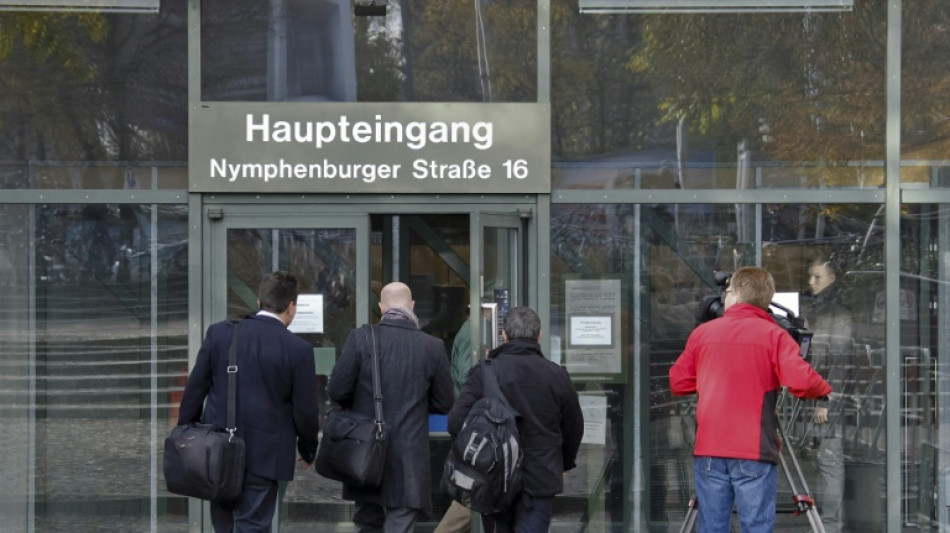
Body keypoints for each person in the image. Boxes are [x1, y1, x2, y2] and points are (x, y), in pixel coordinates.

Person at [668, 266, 832, 533]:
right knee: (756, 526)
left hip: (709, 448)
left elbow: (679, 382)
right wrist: (824, 390)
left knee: (712, 527)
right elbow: (803, 381)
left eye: (728, 292)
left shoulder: (703, 334)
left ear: (736, 294)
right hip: (753, 450)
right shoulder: (775, 335)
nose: (723, 298)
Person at [177, 270, 321, 532]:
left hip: (218, 450)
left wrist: (186, 434)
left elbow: (195, 389)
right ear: (291, 307)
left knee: (223, 525)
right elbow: (306, 411)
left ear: (258, 302)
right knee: (253, 524)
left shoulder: (220, 334)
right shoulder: (298, 350)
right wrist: (308, 448)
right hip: (266, 456)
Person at [327, 281, 455, 533]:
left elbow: (337, 391)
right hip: (409, 458)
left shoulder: (360, 338)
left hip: (364, 452)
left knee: (367, 523)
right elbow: (445, 403)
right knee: (401, 524)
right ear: (413, 306)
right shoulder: (432, 346)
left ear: (381, 307)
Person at [448, 306, 585, 533]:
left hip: (494, 475)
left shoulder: (484, 372)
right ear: (539, 336)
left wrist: (475, 455)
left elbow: (455, 422)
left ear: (504, 335)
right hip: (540, 475)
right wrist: (565, 461)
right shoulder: (557, 374)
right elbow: (574, 426)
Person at [804, 257, 855, 533]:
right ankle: (825, 524)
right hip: (818, 395)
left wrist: (826, 400)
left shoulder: (837, 312)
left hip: (827, 399)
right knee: (823, 462)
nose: (811, 282)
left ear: (832, 279)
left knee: (829, 462)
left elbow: (839, 360)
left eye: (817, 277)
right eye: (810, 277)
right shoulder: (821, 309)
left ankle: (830, 526)